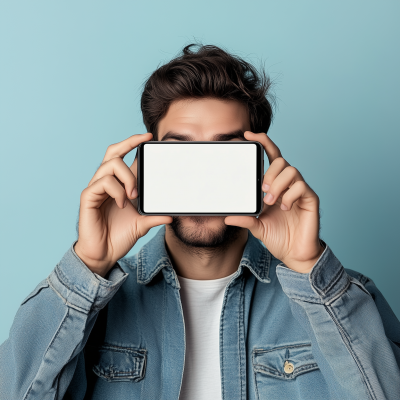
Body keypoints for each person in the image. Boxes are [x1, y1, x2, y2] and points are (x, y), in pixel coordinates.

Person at [0, 44, 399, 400]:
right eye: (181, 154)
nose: (202, 180)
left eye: (225, 154)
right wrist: (88, 263)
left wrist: (309, 267)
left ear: (261, 167)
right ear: (145, 166)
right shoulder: (94, 307)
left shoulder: (341, 297)